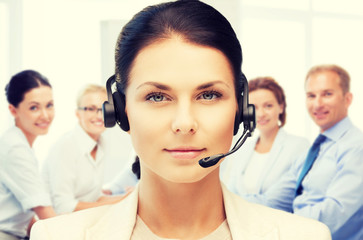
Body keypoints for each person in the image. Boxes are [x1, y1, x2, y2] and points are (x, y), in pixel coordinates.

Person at [30, 1, 331, 239]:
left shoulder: (305, 236)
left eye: (209, 95)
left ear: (241, 109)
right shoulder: (57, 235)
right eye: (157, 97)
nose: (184, 123)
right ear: (120, 111)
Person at [244, 64, 363, 240]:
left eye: (327, 94)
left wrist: (280, 226)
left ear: (347, 99)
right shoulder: (316, 149)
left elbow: (333, 213)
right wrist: (227, 205)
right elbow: (275, 199)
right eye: (311, 96)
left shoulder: (356, 147)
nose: (317, 103)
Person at [42, 84, 127, 214]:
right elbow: (63, 207)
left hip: (82, 219)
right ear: (78, 113)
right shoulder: (65, 146)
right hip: (54, 223)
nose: (99, 116)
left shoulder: (101, 143)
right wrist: (119, 202)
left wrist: (128, 198)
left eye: (104, 108)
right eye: (91, 109)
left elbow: (94, 197)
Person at [221, 77, 309, 195]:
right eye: (254, 108)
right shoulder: (242, 150)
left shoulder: (299, 146)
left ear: (281, 107)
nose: (261, 114)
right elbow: (230, 193)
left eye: (268, 106)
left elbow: (285, 197)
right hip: (241, 213)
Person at [0, 70, 56, 239]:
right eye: (34, 107)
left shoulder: (19, 142)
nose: (45, 115)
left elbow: (27, 210)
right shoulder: (15, 148)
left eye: (49, 105)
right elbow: (43, 211)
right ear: (13, 110)